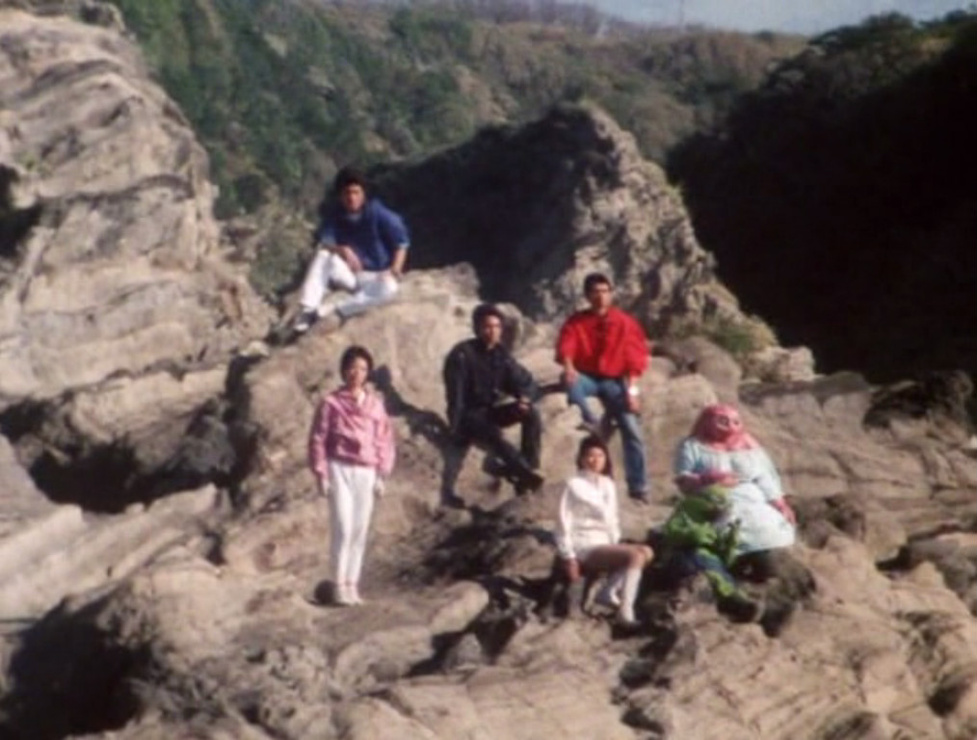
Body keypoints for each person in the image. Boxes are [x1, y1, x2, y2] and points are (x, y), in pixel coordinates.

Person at [308, 345, 395, 606]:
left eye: (363, 369)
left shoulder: (375, 405)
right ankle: (338, 584)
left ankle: (351, 585)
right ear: (344, 370)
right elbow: (318, 438)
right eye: (352, 368)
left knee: (359, 530)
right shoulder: (331, 403)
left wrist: (382, 474)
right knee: (343, 528)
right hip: (339, 466)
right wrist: (321, 473)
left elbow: (384, 439)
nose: (357, 373)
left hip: (367, 470)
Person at [555, 273, 651, 502]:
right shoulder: (577, 321)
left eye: (605, 291)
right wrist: (569, 368)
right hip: (586, 376)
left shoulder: (624, 322)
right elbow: (566, 346)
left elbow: (635, 362)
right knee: (570, 382)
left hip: (614, 381)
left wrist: (632, 393)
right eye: (595, 292)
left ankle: (638, 487)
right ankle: (591, 421)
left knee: (631, 428)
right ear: (587, 295)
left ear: (611, 293)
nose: (601, 296)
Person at [443, 303, 544, 498]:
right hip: (467, 416)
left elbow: (524, 381)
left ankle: (529, 467)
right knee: (494, 434)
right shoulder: (462, 355)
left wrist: (524, 399)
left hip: (489, 412)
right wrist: (455, 430)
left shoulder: (500, 354)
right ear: (477, 329)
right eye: (487, 327)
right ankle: (525, 475)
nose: (492, 331)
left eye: (497, 327)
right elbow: (455, 397)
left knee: (531, 413)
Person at [293, 167, 410, 333]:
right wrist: (342, 249)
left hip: (376, 276)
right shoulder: (336, 214)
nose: (351, 198)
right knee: (323, 255)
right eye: (347, 193)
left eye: (356, 192)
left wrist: (394, 269)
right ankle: (308, 310)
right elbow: (325, 242)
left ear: (363, 193)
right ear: (340, 195)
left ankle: (335, 309)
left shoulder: (377, 212)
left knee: (389, 288)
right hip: (351, 274)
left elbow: (402, 242)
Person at [673, 403, 796, 560]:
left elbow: (765, 476)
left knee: (771, 529)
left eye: (735, 422)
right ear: (707, 422)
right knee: (719, 533)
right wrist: (705, 479)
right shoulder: (692, 445)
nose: (730, 426)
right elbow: (683, 481)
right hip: (714, 502)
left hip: (754, 501)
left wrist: (779, 504)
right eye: (723, 421)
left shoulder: (749, 443)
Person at [556, 435, 653, 625]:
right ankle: (625, 611)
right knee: (635, 555)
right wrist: (568, 556)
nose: (595, 460)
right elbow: (562, 521)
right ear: (581, 458)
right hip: (584, 543)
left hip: (604, 542)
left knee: (647, 551)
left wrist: (615, 543)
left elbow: (612, 520)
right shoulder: (573, 484)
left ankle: (608, 591)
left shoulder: (607, 484)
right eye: (590, 456)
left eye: (600, 456)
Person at [660, 484, 761, 621]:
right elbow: (672, 533)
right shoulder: (687, 513)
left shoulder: (721, 523)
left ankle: (735, 606)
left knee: (721, 577)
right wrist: (700, 532)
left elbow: (726, 560)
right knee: (705, 575)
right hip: (684, 555)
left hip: (712, 561)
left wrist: (730, 541)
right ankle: (677, 608)